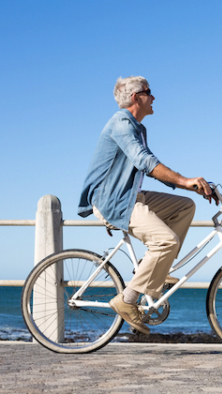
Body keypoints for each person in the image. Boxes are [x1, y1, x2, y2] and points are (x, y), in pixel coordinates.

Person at [78, 76, 215, 335]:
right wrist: (186, 180)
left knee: (185, 206)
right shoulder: (120, 123)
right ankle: (127, 299)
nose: (154, 97)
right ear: (135, 97)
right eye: (149, 92)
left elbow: (148, 167)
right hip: (113, 200)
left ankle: (152, 270)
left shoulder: (138, 128)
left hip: (130, 196)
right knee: (166, 241)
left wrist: (191, 188)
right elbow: (145, 162)